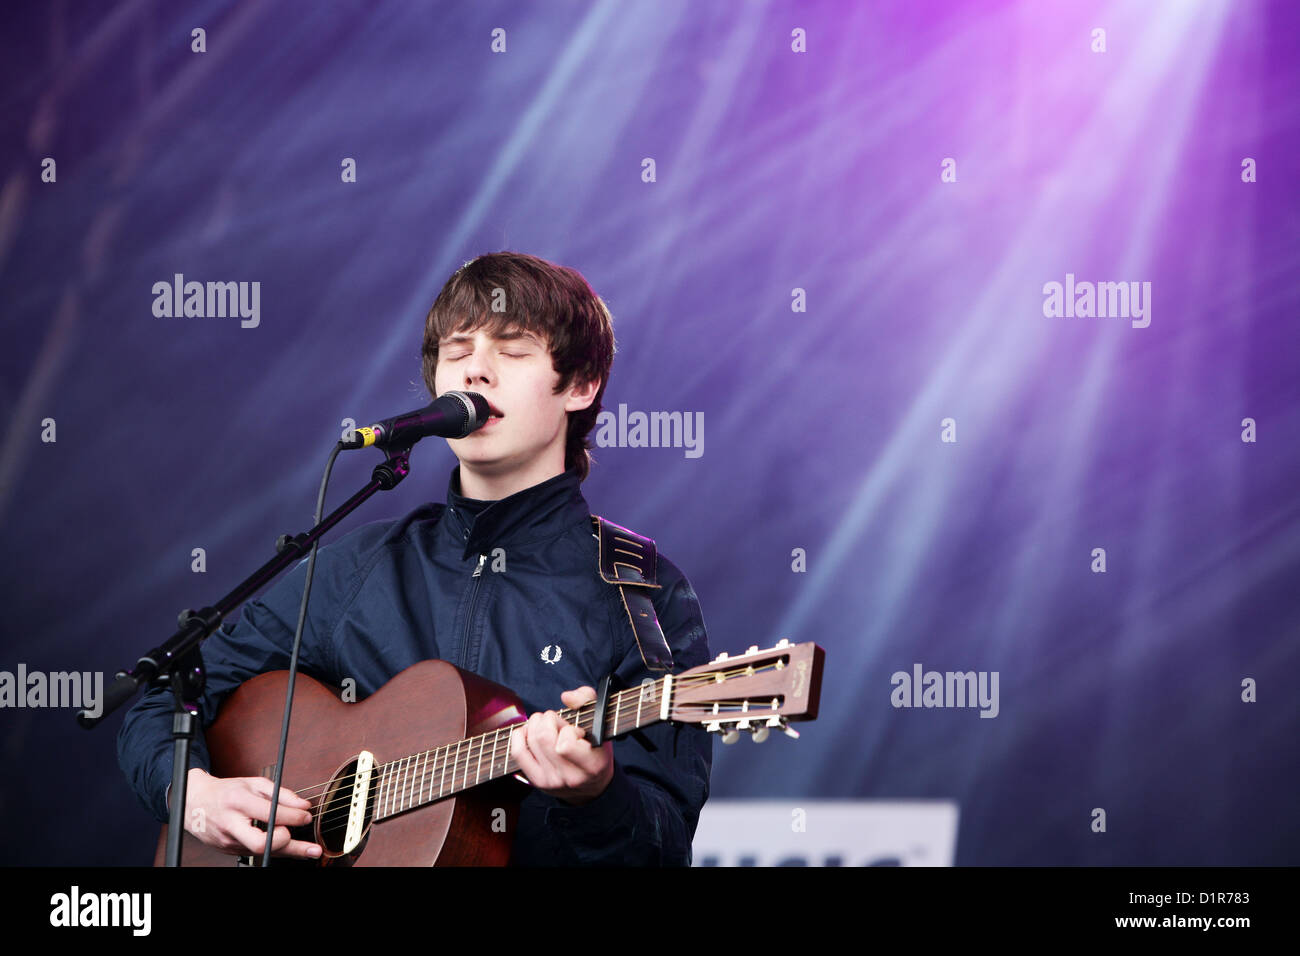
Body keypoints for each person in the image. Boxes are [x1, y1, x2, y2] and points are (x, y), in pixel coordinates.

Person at [116, 252, 713, 865]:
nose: (475, 372)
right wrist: (192, 796)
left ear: (581, 386)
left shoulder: (638, 590)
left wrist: (597, 795)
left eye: (511, 351)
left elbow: (664, 845)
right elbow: (169, 696)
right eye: (457, 353)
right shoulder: (358, 566)